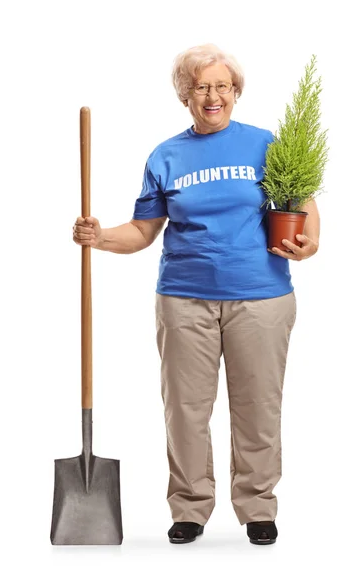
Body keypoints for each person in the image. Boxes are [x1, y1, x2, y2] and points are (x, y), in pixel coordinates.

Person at [72, 43, 320, 546]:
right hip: (184, 298)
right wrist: (99, 236)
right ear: (185, 95)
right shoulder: (166, 155)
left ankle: (257, 508)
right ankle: (189, 507)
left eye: (222, 87)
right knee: (184, 408)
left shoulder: (268, 145)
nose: (213, 96)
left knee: (258, 406)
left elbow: (303, 203)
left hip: (262, 297)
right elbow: (144, 232)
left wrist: (309, 242)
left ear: (236, 93)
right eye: (202, 87)